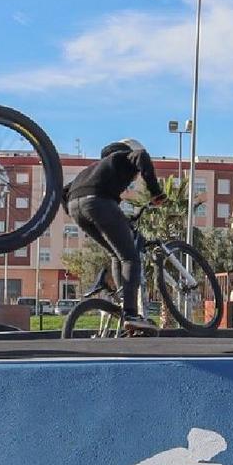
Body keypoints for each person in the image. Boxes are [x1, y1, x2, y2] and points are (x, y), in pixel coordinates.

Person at [63, 138, 167, 333]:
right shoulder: (124, 156)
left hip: (76, 207)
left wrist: (82, 211)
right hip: (98, 202)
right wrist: (155, 192)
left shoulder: (92, 169)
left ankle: (122, 298)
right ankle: (131, 313)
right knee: (130, 258)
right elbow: (141, 156)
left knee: (116, 253)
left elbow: (64, 191)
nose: (135, 177)